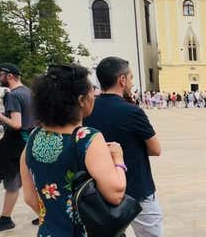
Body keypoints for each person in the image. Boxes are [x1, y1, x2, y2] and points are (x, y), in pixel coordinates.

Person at [20, 63, 127, 236]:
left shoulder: (33, 137)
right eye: (91, 89)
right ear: (80, 100)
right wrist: (119, 159)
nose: (94, 94)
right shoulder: (86, 138)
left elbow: (30, 198)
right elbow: (115, 193)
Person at [84, 56, 164, 237]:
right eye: (131, 78)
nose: (131, 82)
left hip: (100, 190)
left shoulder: (87, 109)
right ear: (122, 80)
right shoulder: (132, 111)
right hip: (137, 187)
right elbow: (155, 149)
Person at [0, 63, 35, 235]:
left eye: (0, 75)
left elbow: (17, 124)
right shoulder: (28, 92)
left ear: (10, 76)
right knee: (30, 181)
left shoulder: (13, 96)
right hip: (29, 141)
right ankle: (45, 214)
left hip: (15, 143)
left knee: (12, 182)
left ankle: (5, 219)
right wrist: (2, 118)